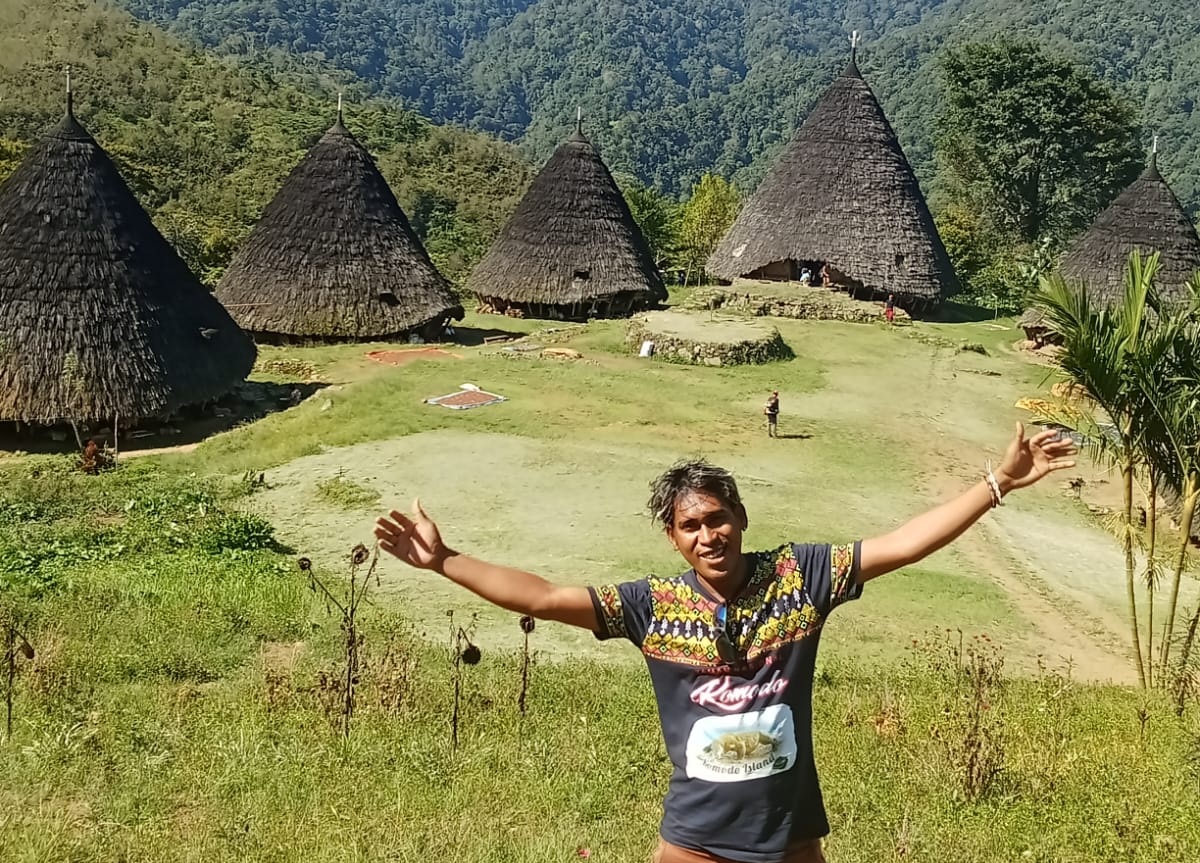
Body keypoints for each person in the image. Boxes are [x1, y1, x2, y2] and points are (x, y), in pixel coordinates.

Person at [374, 423, 1076, 863]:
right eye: (690, 525)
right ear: (673, 537)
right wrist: (446, 561)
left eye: (718, 517)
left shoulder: (800, 576)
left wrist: (996, 483)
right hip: (698, 838)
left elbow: (902, 544)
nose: (708, 533)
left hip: (792, 831)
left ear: (740, 516)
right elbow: (544, 596)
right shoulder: (652, 606)